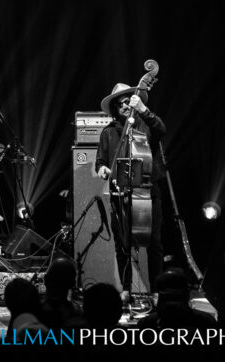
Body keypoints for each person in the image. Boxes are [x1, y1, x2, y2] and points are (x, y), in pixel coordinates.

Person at [96, 83, 166, 293]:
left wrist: (144, 110)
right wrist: (102, 170)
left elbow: (161, 128)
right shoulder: (108, 133)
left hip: (147, 193)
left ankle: (156, 292)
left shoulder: (146, 125)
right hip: (120, 196)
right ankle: (125, 292)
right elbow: (100, 162)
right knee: (122, 245)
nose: (125, 106)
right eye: (120, 104)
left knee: (154, 244)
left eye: (128, 101)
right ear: (115, 109)